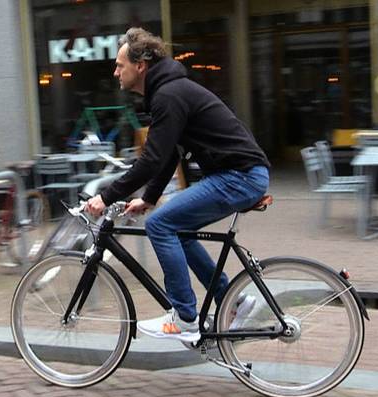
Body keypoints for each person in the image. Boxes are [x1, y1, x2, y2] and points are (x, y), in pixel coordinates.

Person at [85, 27, 270, 343]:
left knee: (159, 225)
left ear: (140, 65)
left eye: (120, 65)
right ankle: (234, 301)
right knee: (176, 229)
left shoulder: (168, 95)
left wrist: (107, 195)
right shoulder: (169, 91)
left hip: (238, 176)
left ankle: (185, 318)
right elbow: (171, 153)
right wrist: (150, 197)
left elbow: (152, 159)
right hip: (240, 174)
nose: (115, 71)